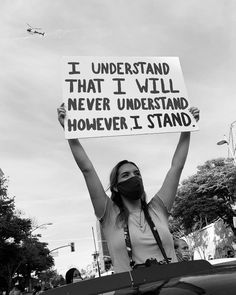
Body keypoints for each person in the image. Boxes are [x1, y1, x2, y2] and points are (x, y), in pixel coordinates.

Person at [57, 104, 199, 273]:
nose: (133, 177)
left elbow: (177, 167)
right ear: (116, 188)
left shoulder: (158, 209)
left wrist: (187, 128)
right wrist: (70, 132)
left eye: (137, 173)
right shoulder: (109, 213)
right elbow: (87, 170)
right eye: (125, 175)